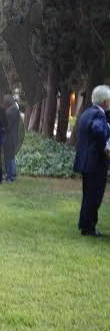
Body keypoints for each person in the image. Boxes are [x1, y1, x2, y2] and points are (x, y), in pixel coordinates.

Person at [73, 85, 110, 237]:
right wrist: (105, 147)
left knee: (88, 195)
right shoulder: (100, 115)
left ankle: (85, 224)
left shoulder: (87, 112)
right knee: (95, 196)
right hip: (96, 163)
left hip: (86, 162)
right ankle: (89, 228)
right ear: (105, 102)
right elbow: (98, 130)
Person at [2, 94, 23, 182]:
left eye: (4, 101)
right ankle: (10, 175)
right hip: (13, 137)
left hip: (9, 138)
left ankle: (11, 176)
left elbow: (7, 126)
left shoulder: (9, 112)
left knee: (9, 158)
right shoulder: (15, 111)